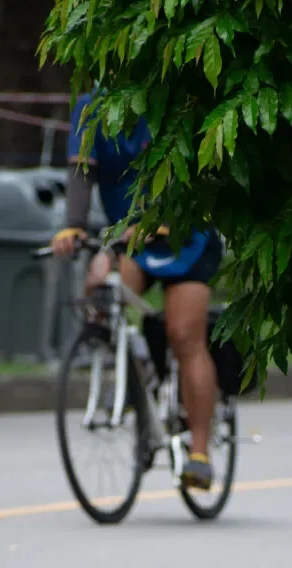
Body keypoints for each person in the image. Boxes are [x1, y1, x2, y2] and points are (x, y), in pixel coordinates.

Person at [52, 93, 223, 490]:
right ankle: (135, 377)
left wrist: (156, 218)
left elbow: (186, 169)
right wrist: (73, 226)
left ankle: (199, 453)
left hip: (186, 236)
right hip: (129, 238)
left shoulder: (168, 96)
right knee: (100, 290)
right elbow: (81, 172)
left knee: (184, 334)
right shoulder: (89, 107)